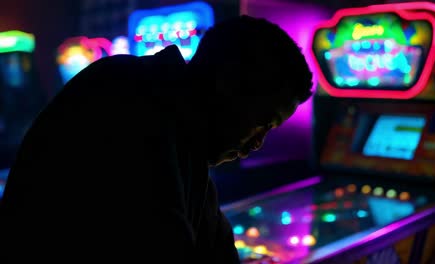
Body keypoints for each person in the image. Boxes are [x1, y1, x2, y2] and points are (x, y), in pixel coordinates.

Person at [0, 15, 312, 263]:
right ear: (230, 84)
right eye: (262, 122)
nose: (258, 143)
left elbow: (212, 242)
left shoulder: (182, 128)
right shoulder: (129, 95)